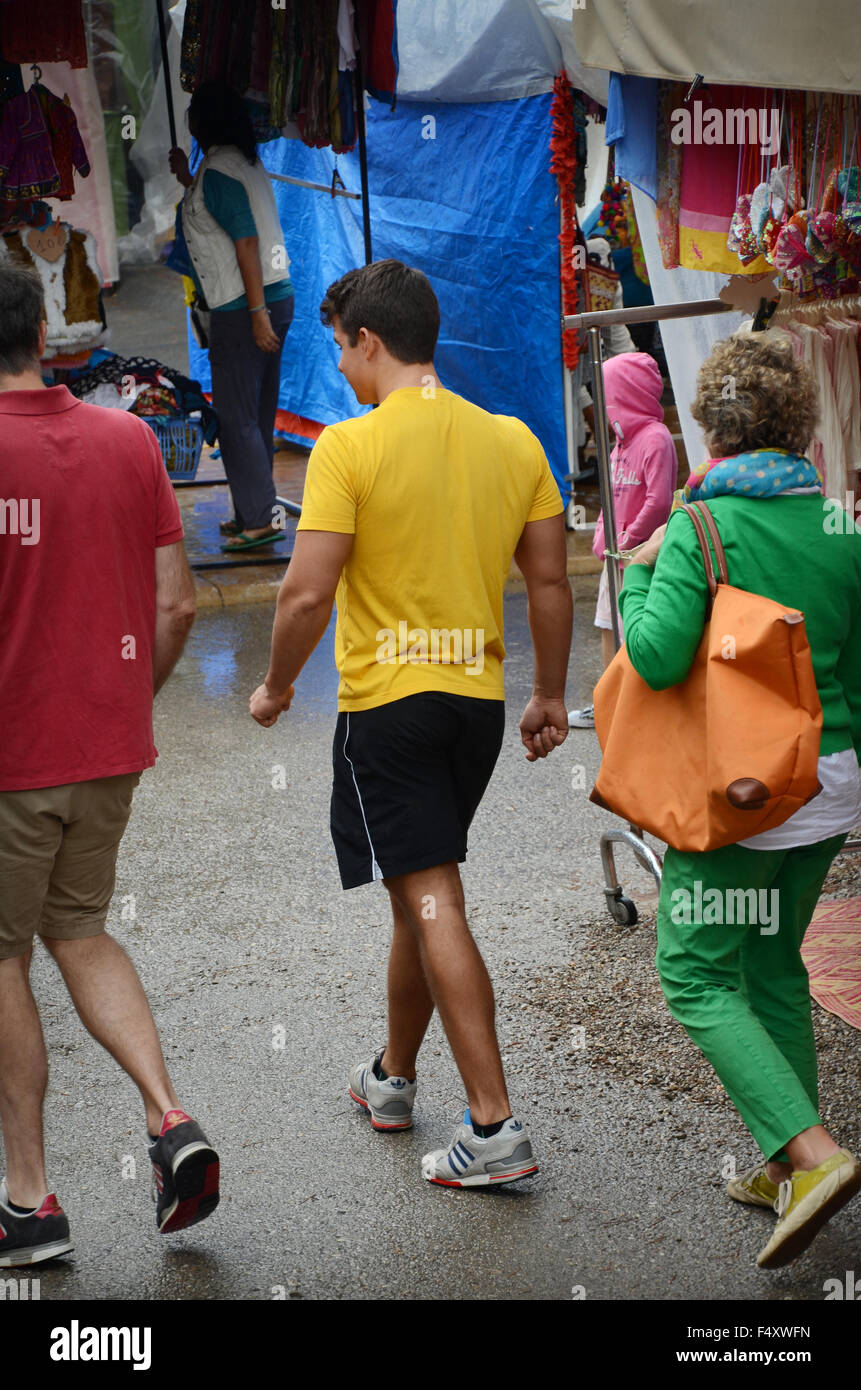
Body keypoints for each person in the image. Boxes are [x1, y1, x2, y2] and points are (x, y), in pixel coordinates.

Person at [249, 259, 572, 1186]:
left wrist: (273, 688)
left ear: (371, 342)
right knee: (416, 896)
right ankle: (393, 1078)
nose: (342, 370)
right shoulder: (513, 440)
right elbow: (548, 581)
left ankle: (495, 1127)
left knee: (434, 902)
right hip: (472, 709)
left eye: (341, 349)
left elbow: (305, 594)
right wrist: (546, 692)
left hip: (389, 712)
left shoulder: (350, 449)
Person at [618, 333, 861, 1269]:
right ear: (795, 423)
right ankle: (780, 1166)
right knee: (772, 968)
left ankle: (816, 1155)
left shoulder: (702, 527)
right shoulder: (840, 522)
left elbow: (653, 654)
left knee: (691, 971)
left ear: (708, 426)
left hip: (741, 792)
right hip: (828, 781)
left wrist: (641, 571)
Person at [0, 265, 219, 1267]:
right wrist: (129, 704)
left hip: (11, 764)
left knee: (3, 958)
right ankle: (171, 1118)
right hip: (108, 749)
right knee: (80, 929)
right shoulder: (129, 438)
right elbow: (178, 605)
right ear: (45, 327)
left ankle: (29, 1199)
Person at [169, 81, 294, 553]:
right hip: (274, 298)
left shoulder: (219, 170)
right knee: (256, 412)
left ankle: (261, 519)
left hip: (246, 308)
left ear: (203, 124)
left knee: (238, 416)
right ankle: (252, 508)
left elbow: (245, 242)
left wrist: (256, 315)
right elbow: (218, 219)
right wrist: (188, 179)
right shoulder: (242, 163)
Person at [568, 351, 677, 727]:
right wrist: (601, 534)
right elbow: (611, 495)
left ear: (628, 393)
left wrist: (628, 540)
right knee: (607, 625)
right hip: (616, 555)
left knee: (635, 626)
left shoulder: (655, 438)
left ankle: (636, 704)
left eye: (609, 393)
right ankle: (609, 700)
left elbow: (659, 500)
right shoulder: (620, 444)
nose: (604, 403)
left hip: (641, 557)